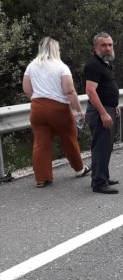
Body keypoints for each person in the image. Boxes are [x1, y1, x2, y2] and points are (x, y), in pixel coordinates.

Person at [22, 37, 90, 188]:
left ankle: (42, 178)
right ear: (55, 49)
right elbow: (69, 91)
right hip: (59, 109)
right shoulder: (61, 67)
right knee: (69, 139)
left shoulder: (32, 66)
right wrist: (78, 110)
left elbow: (27, 90)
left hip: (38, 107)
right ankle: (79, 169)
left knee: (41, 143)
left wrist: (38, 99)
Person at [85, 32, 120, 194]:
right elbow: (91, 91)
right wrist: (103, 113)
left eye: (110, 45)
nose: (108, 48)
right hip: (100, 110)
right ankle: (99, 183)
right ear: (95, 47)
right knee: (101, 146)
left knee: (106, 146)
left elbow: (106, 87)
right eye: (103, 45)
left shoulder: (105, 64)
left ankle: (103, 176)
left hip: (108, 107)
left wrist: (115, 105)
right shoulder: (93, 65)